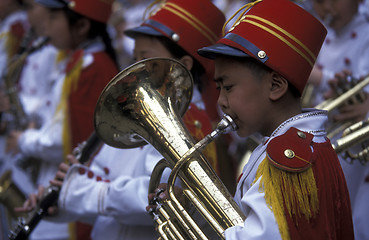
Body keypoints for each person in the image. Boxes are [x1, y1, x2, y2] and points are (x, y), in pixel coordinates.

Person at [16, 0, 226, 240]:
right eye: (134, 56)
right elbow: (104, 183)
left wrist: (88, 193)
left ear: (182, 66)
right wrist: (62, 203)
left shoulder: (189, 123)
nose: (134, 68)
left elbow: (157, 198)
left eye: (145, 58)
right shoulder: (139, 110)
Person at [150, 0, 355, 239]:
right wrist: (192, 213)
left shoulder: (288, 160)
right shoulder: (290, 146)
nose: (221, 102)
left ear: (275, 86)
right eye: (218, 88)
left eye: (228, 87)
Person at [7, 0, 119, 239]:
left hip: (67, 189)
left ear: (81, 26)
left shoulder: (92, 67)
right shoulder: (78, 60)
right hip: (54, 182)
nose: (46, 28)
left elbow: (69, 139)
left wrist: (25, 140)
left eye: (54, 19)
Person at [306, 1, 369, 239]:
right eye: (320, 1)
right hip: (325, 133)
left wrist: (322, 79)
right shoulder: (323, 33)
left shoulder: (366, 34)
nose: (327, 7)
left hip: (354, 149)